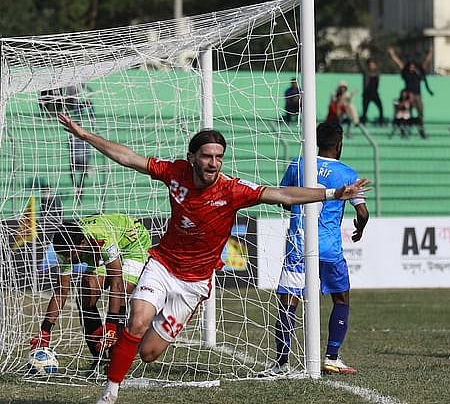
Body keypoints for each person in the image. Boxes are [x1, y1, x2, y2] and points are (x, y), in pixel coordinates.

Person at [56, 113, 368, 404]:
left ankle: (123, 345)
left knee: (149, 353)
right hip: (163, 265)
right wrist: (85, 135)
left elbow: (284, 195)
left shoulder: (233, 190)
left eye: (219, 157)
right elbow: (128, 158)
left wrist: (331, 194)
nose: (214, 163)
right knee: (136, 321)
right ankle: (109, 393)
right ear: (192, 157)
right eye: (207, 156)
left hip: (194, 283)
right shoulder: (174, 172)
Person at [261, 122, 369, 377]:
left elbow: (285, 199)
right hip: (329, 248)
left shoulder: (298, 165)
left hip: (298, 244)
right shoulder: (347, 173)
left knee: (288, 303)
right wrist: (360, 227)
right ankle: (331, 357)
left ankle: (281, 362)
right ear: (339, 143)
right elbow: (362, 212)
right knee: (341, 298)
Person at [30, 214, 151, 370]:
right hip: (98, 249)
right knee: (86, 292)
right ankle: (99, 360)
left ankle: (115, 361)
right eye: (64, 255)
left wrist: (111, 325)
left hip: (132, 243)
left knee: (122, 294)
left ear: (81, 244)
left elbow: (116, 283)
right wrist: (45, 331)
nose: (68, 259)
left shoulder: (102, 238)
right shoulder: (65, 250)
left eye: (70, 255)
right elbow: (61, 291)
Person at [387, 46, 433, 139]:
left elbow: (426, 62)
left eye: (413, 66)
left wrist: (430, 53)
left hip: (417, 96)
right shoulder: (406, 73)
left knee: (420, 115)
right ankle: (404, 131)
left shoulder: (418, 72)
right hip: (408, 96)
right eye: (410, 66)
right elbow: (399, 64)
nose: (412, 67)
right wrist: (393, 55)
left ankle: (421, 132)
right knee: (406, 115)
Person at [356, 47, 384, 127]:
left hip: (375, 93)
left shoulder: (377, 73)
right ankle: (363, 123)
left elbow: (380, 63)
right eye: (370, 64)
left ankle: (381, 122)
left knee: (380, 108)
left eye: (373, 64)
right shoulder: (366, 72)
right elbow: (360, 64)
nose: (372, 66)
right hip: (367, 94)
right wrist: (358, 54)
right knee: (365, 110)